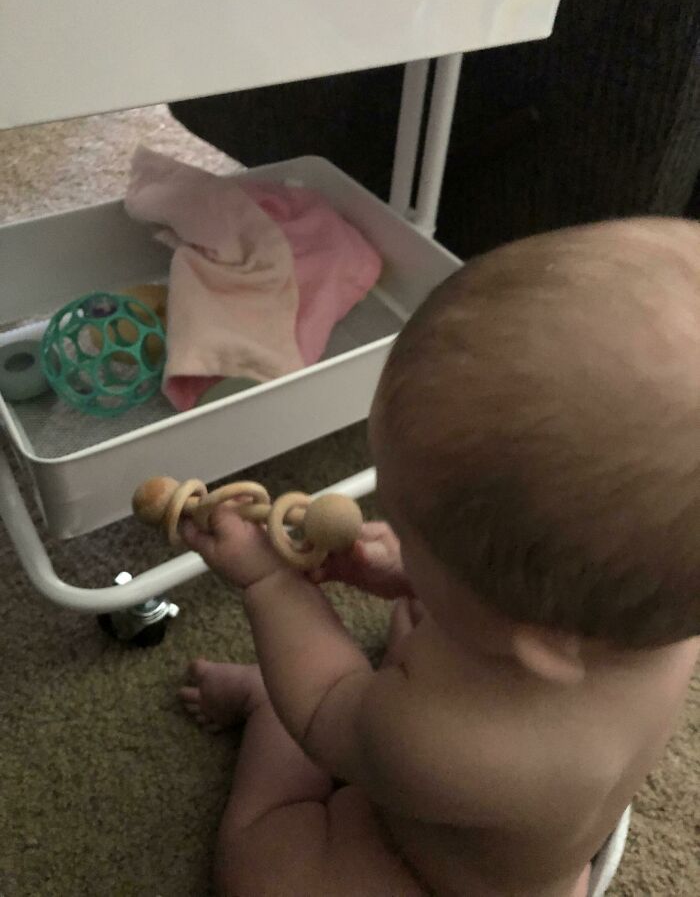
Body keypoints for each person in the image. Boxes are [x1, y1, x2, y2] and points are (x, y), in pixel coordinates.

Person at [179, 217, 700, 897]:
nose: (381, 530)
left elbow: (329, 705)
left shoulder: (450, 741)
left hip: (426, 869)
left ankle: (259, 706)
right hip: (539, 851)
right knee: (417, 623)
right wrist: (410, 570)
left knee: (259, 868)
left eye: (407, 531)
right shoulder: (660, 617)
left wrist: (269, 581)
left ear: (537, 637)